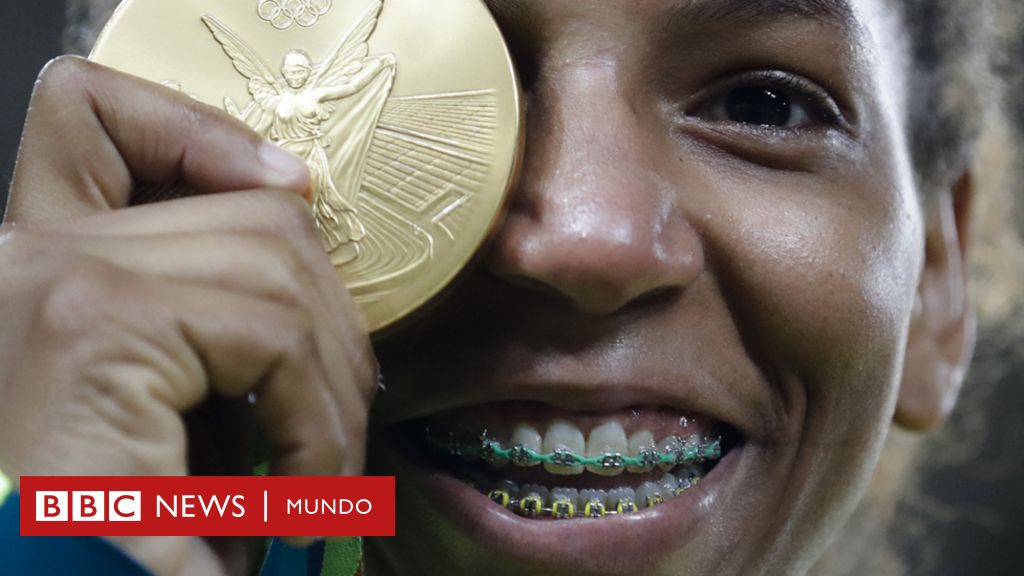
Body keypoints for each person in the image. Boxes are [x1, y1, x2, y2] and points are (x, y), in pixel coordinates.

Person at [1, 0, 1021, 575]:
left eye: (762, 103)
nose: (583, 238)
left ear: (935, 278)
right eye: (465, 92)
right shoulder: (66, 540)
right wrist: (83, 534)